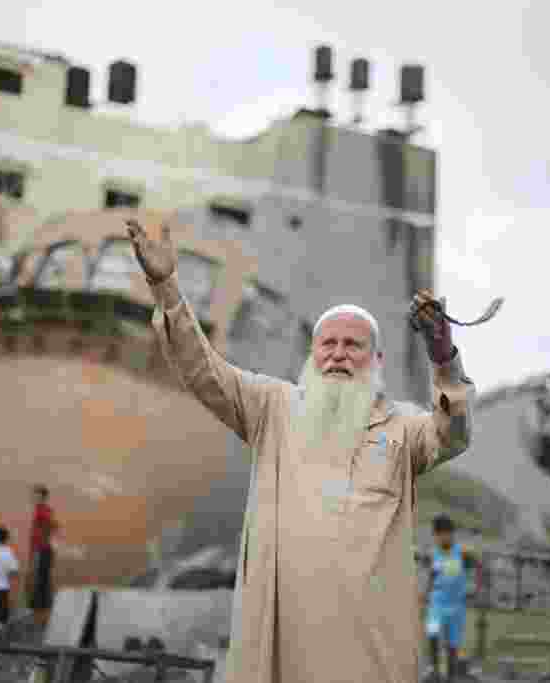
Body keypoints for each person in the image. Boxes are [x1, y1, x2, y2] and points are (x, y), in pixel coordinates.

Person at [126, 217, 476, 683]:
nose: (337, 354)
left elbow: (453, 432)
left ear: (378, 361)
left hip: (368, 649)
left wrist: (443, 358)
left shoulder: (403, 429)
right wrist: (167, 287)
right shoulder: (272, 406)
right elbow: (201, 368)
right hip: (278, 645)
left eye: (353, 345)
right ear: (311, 358)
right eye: (327, 344)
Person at [422, 515, 482, 682]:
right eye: (438, 535)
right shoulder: (434, 553)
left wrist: (475, 589)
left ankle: (450, 676)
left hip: (456, 605)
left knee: (452, 643)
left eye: (445, 534)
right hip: (438, 602)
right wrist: (425, 593)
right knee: (432, 631)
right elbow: (432, 574)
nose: (441, 538)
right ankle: (433, 669)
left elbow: (478, 567)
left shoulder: (462, 553)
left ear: (451, 534)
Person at [28, 485, 57, 626]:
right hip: (41, 549)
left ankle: (42, 617)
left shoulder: (43, 510)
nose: (34, 498)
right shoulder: (41, 510)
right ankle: (41, 615)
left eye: (37, 495)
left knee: (41, 582)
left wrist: (42, 540)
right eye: (34, 495)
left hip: (43, 549)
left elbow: (53, 525)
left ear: (43, 496)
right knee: (40, 581)